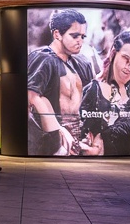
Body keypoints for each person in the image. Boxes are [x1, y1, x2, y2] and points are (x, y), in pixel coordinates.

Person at [27, 8, 94, 155]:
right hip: (52, 141)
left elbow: (92, 101)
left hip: (79, 139)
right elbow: (31, 97)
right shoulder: (43, 58)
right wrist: (58, 131)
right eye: (75, 35)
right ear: (57, 34)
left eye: (83, 36)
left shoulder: (83, 63)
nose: (80, 41)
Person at [79, 29, 130, 156]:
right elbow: (81, 135)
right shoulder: (94, 90)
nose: (128, 66)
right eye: (125, 58)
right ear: (113, 54)